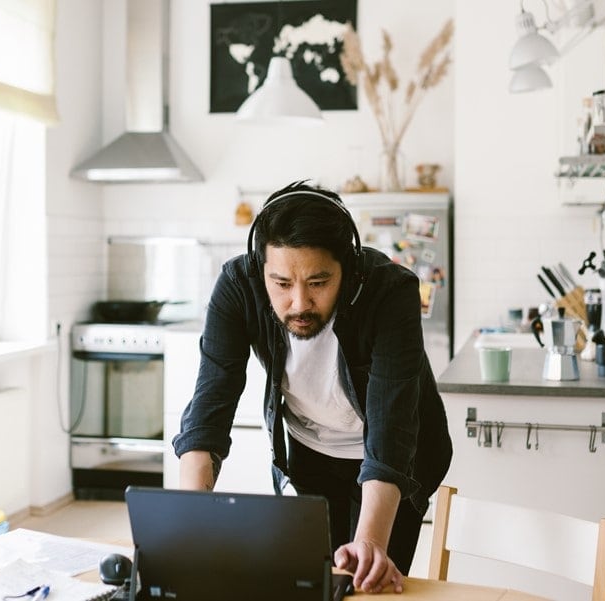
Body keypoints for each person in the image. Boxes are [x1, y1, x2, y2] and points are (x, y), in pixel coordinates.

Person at [171, 180, 452, 594]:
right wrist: (189, 520)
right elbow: (211, 401)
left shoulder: (390, 291)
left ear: (350, 271)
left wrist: (371, 544)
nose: (299, 303)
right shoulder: (237, 285)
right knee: (315, 582)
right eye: (281, 284)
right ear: (260, 269)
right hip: (311, 451)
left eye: (318, 282)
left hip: (396, 458)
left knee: (364, 582)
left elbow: (392, 424)